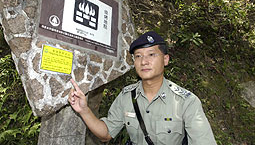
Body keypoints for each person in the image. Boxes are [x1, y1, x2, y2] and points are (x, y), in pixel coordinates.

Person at [68, 31, 217, 145]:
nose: (144, 61)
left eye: (151, 54)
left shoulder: (186, 102)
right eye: (138, 56)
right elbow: (106, 133)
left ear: (165, 59)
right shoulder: (127, 96)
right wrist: (84, 110)